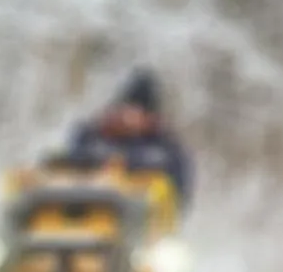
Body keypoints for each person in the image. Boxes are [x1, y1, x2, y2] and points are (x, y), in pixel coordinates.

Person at [55, 67, 193, 210]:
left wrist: (127, 165)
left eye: (140, 111)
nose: (131, 117)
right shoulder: (95, 134)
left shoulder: (165, 148)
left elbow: (178, 191)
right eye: (128, 109)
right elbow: (73, 158)